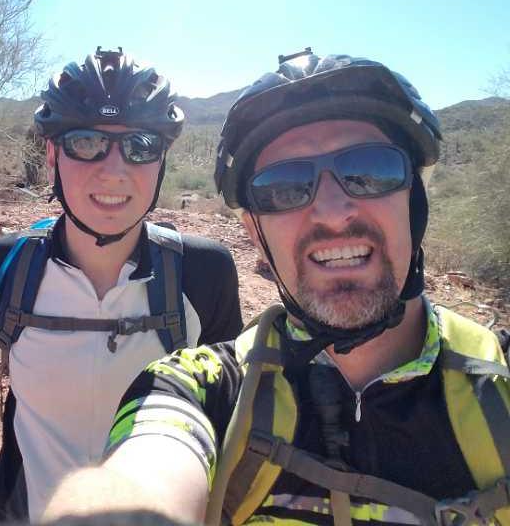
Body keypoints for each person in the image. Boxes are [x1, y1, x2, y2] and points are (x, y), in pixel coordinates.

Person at [44, 50, 510, 526]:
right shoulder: (206, 388)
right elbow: (149, 464)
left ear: (415, 198)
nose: (332, 211)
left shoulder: (499, 384)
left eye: (370, 172)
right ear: (254, 233)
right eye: (284, 188)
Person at [0, 47, 243, 523]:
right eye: (86, 143)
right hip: (26, 508)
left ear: (160, 162)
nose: (114, 169)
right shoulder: (3, 265)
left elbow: (234, 400)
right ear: (51, 155)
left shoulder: (203, 272)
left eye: (141, 146)